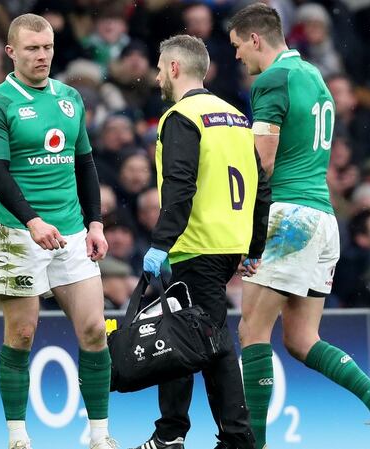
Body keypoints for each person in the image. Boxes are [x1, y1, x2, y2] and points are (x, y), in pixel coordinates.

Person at [227, 5, 370, 449]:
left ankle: (254, 444)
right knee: (301, 338)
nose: (236, 57)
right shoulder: (315, 76)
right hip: (323, 218)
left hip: (288, 217)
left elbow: (263, 160)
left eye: (237, 47)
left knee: (252, 331)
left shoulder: (271, 79)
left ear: (256, 40)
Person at [0, 14, 115, 449]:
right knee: (22, 333)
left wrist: (95, 222)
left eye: (48, 47)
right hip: (18, 232)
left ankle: (99, 435)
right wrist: (32, 221)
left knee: (94, 329)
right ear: (11, 52)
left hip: (72, 232)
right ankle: (18, 436)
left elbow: (85, 163)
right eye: (32, 48)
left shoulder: (71, 98)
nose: (42, 56)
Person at [131, 34, 271, 449]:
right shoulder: (235, 117)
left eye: (159, 66)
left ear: (174, 68)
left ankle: (237, 439)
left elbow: (179, 184)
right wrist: (253, 246)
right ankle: (170, 432)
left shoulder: (181, 116)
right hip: (228, 243)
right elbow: (262, 187)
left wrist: (161, 242)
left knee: (212, 342)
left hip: (197, 244)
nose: (157, 75)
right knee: (180, 335)